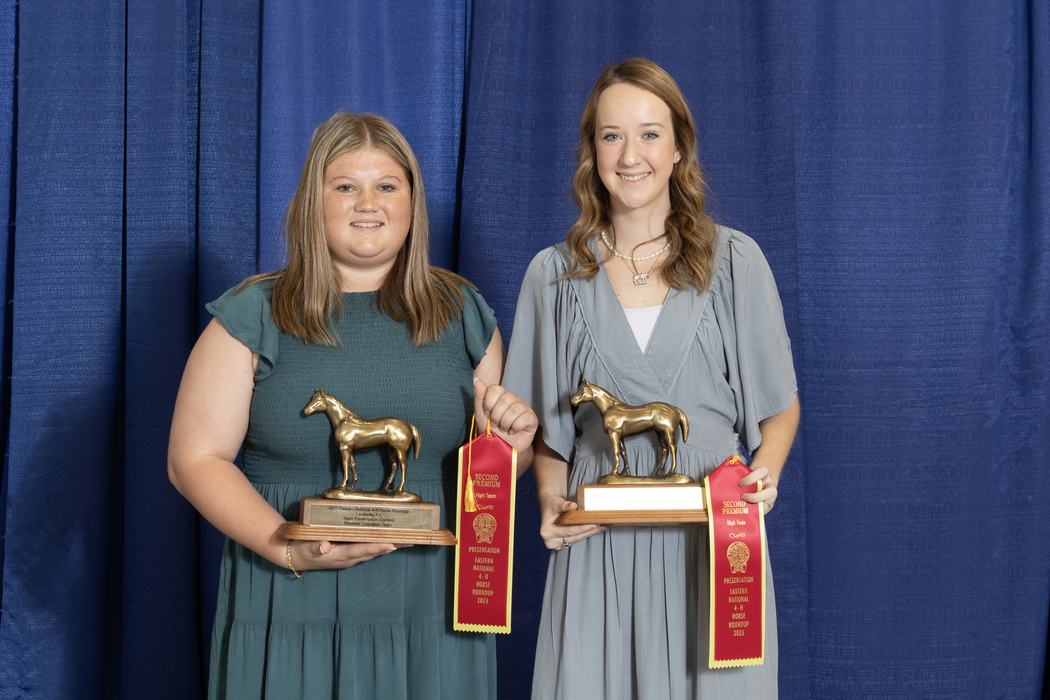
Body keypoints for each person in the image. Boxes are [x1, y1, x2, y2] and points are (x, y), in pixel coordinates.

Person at [168, 111, 537, 700]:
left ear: (413, 203)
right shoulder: (250, 314)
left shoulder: (463, 312)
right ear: (312, 202)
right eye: (345, 186)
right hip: (288, 600)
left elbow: (490, 472)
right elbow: (195, 459)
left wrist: (515, 451)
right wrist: (285, 545)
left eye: (387, 186)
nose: (368, 203)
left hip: (434, 609)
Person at [503, 59, 800, 699]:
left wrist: (764, 473)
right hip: (597, 548)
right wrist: (550, 500)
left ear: (678, 148)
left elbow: (779, 407)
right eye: (611, 135)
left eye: (648, 133)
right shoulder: (550, 277)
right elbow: (544, 434)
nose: (630, 154)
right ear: (592, 152)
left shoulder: (736, 262)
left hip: (713, 547)